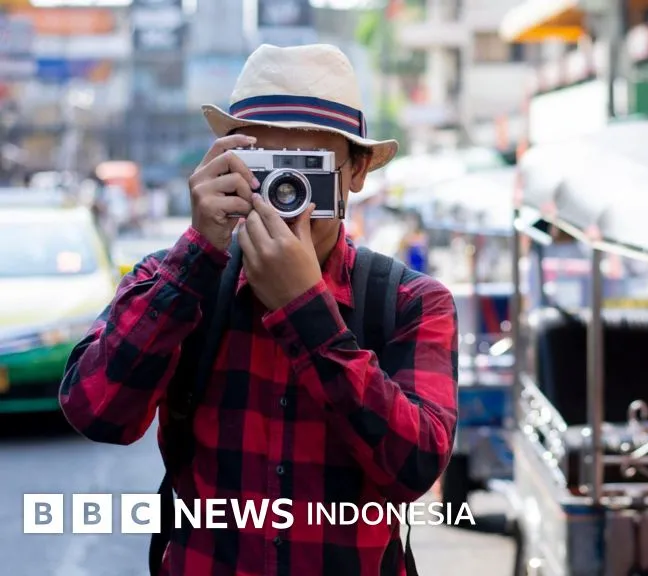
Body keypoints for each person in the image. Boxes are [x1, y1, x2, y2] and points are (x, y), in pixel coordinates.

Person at [58, 44, 458, 576]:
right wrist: (198, 253)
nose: (283, 195)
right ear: (226, 162)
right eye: (265, 168)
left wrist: (308, 315)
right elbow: (96, 411)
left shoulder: (409, 303)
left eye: (307, 171)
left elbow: (417, 468)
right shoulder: (174, 282)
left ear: (357, 172)